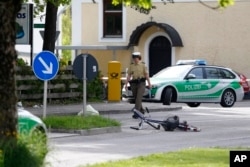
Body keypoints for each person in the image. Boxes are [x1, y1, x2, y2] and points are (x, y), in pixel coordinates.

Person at [125, 52, 152, 118]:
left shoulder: (143, 65)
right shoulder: (131, 66)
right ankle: (142, 110)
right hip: (134, 83)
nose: (135, 60)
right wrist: (126, 84)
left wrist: (149, 83)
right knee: (136, 98)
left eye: (136, 58)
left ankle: (136, 113)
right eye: (134, 58)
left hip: (141, 83)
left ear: (139, 58)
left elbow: (146, 75)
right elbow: (129, 75)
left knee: (139, 98)